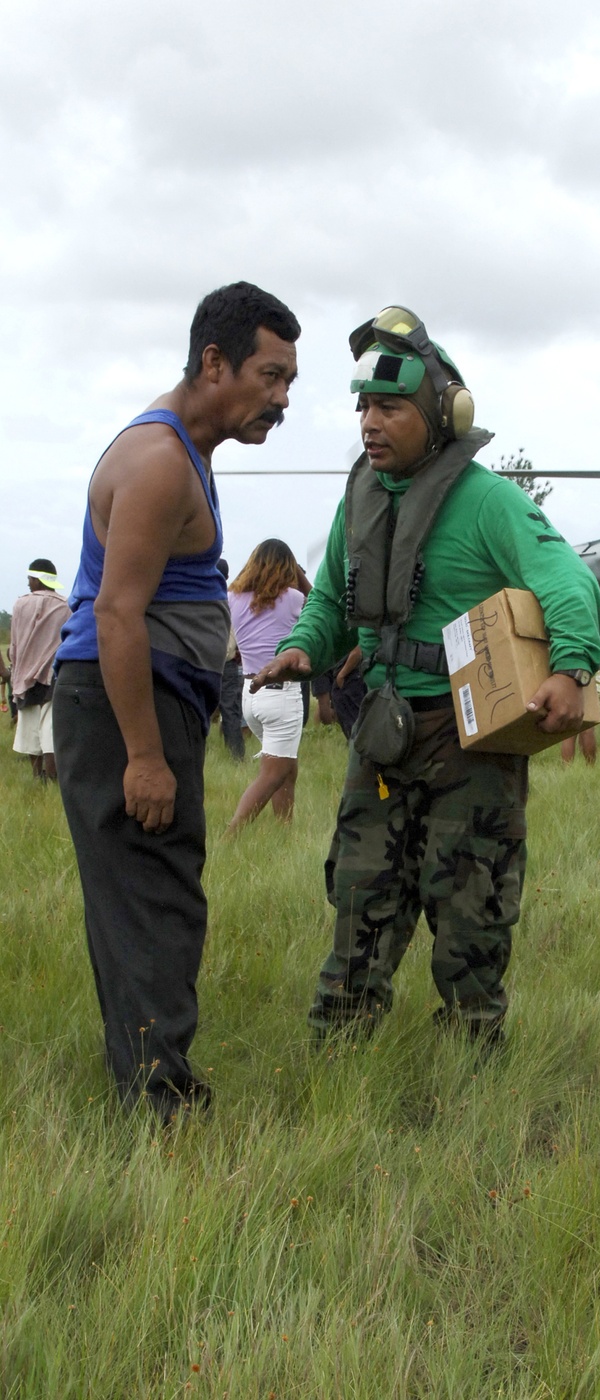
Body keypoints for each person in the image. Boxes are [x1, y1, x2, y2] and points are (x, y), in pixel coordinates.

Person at [251, 305, 600, 1046]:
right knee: (359, 894)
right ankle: (342, 1049)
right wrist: (305, 649)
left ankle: (472, 1056)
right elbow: (329, 598)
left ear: (441, 413)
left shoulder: (487, 502)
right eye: (363, 407)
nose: (370, 424)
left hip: (467, 737)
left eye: (390, 407)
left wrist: (573, 667)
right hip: (381, 733)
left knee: (469, 904)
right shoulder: (361, 497)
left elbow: (566, 578)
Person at [53, 281, 300, 1123]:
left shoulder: (183, 452)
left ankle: (146, 1082)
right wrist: (147, 756)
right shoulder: (160, 462)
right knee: (155, 898)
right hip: (130, 705)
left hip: (151, 698)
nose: (282, 399)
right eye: (270, 377)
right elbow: (117, 613)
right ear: (213, 362)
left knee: (144, 896)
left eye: (289, 382)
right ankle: (162, 1108)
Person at [225, 539, 307, 832]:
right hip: (281, 694)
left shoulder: (233, 598)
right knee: (273, 773)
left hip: (250, 694)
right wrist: (299, 572)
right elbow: (320, 603)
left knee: (287, 767)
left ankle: (285, 831)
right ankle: (231, 835)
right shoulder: (294, 599)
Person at [8, 560, 71, 781]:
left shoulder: (20, 605)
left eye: (29, 579)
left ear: (37, 579)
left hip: (24, 675)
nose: (28, 583)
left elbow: (14, 644)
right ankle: (52, 778)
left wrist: (14, 670)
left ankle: (37, 777)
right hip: (53, 676)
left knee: (29, 730)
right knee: (50, 729)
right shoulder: (66, 606)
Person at [561, 592, 600, 764]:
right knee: (588, 724)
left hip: (568, 669)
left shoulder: (571, 618)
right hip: (590, 672)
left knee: (568, 727)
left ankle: (566, 767)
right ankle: (590, 766)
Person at [216, 558, 246, 761]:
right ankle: (236, 755)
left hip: (208, 660)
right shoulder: (232, 599)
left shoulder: (209, 598)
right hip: (228, 661)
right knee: (230, 709)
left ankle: (234, 755)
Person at [312, 646, 366, 740]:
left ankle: (329, 732)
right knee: (330, 700)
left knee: (332, 699)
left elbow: (357, 650)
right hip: (335, 661)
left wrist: (342, 674)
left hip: (335, 661)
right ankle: (328, 731)